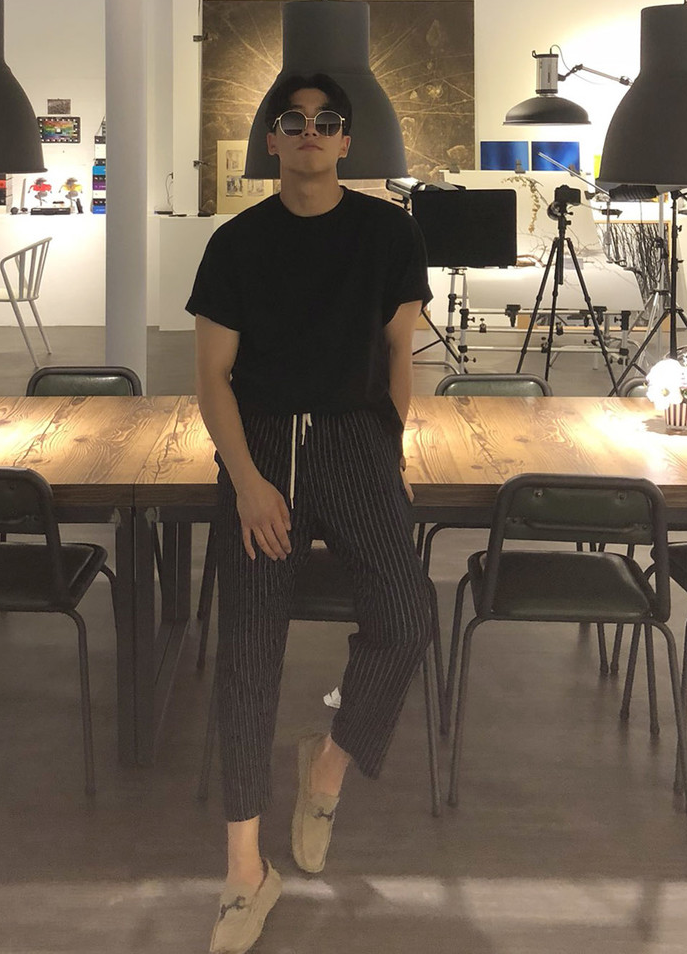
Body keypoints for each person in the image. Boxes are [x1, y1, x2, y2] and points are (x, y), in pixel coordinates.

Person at [186, 73, 434, 954]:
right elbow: (212, 377)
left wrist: (389, 454)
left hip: (356, 440)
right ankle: (244, 871)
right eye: (292, 121)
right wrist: (248, 481)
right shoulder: (237, 242)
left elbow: (399, 353)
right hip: (265, 448)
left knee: (407, 617)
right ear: (272, 140)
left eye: (326, 121)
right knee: (249, 654)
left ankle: (326, 767)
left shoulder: (389, 232)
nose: (309, 132)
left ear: (346, 141)